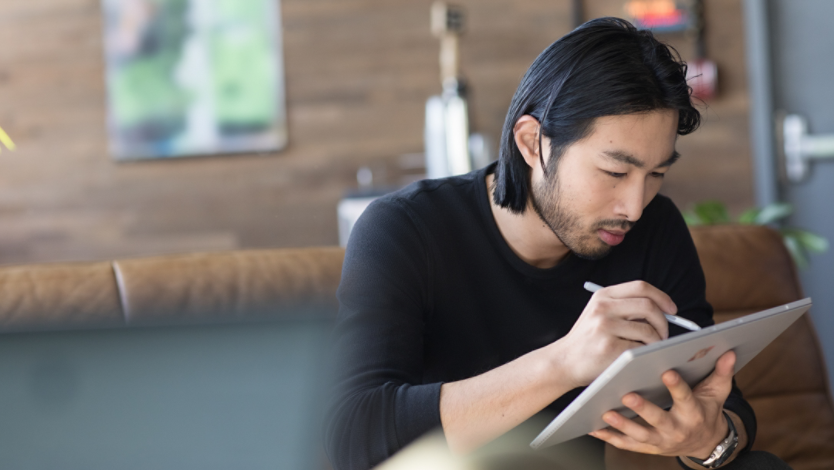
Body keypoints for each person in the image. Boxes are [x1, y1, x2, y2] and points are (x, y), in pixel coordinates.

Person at [324, 17, 791, 470]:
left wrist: (709, 440)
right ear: (532, 143)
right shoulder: (406, 230)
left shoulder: (654, 228)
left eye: (656, 175)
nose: (633, 206)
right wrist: (565, 362)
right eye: (614, 172)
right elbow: (354, 436)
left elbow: (726, 405)